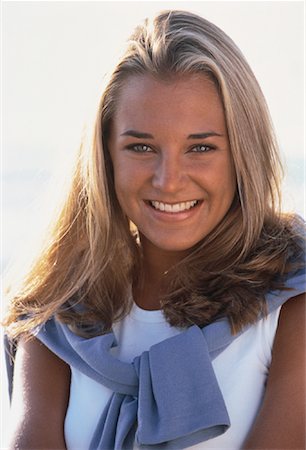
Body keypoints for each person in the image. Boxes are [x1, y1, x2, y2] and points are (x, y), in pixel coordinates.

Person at [3, 9, 305, 450]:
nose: (168, 180)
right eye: (141, 147)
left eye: (201, 147)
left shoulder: (292, 300)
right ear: (105, 154)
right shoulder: (58, 313)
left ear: (244, 153)